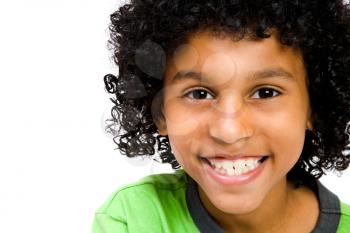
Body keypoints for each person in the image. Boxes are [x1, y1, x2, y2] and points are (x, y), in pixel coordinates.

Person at [92, 0, 350, 232]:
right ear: (160, 113)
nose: (230, 131)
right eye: (199, 94)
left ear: (314, 106)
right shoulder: (132, 219)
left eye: (266, 92)